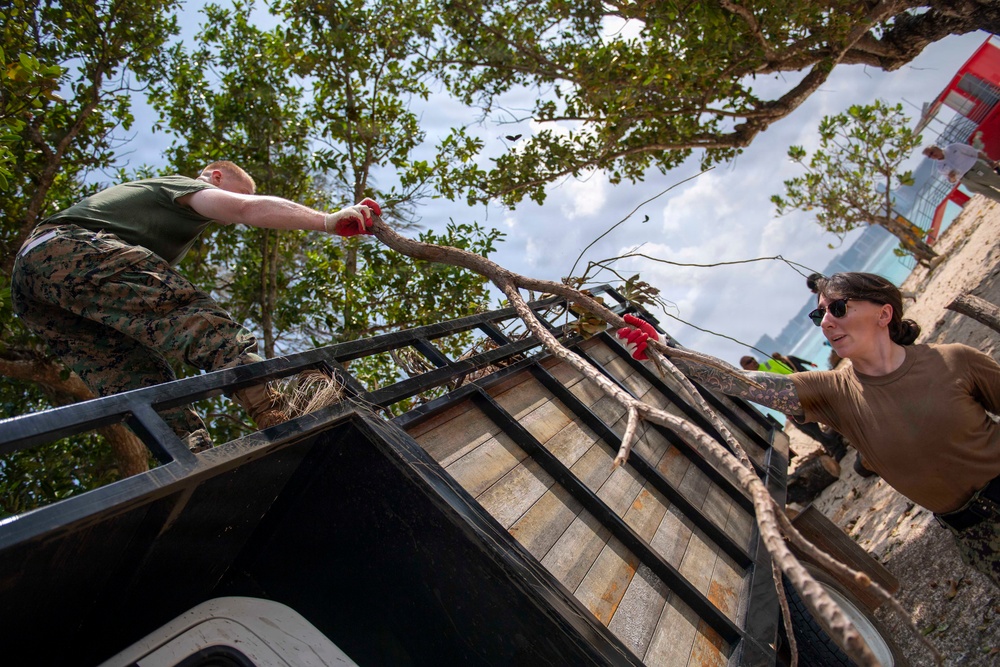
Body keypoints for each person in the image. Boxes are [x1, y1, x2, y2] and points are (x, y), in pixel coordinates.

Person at [617, 272, 1000, 587]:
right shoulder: (832, 391)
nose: (828, 322)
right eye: (820, 316)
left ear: (885, 314)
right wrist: (666, 351)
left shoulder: (955, 360)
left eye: (838, 308)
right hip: (974, 534)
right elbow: (740, 383)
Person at [11, 161, 382, 450]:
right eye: (237, 193)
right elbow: (248, 211)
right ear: (215, 177)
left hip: (36, 293)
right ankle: (275, 412)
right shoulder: (183, 186)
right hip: (68, 248)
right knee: (196, 320)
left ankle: (188, 453)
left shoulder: (147, 222)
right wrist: (327, 220)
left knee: (135, 377)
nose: (229, 215)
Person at [739, 355, 846, 460]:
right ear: (745, 367)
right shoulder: (755, 381)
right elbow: (768, 400)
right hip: (788, 409)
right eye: (749, 361)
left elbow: (791, 375)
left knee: (819, 424)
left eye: (752, 358)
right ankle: (835, 445)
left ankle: (838, 446)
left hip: (800, 399)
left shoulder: (770, 364)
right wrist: (785, 412)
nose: (753, 361)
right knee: (810, 431)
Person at [923, 143, 1000, 203]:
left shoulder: (953, 147)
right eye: (930, 156)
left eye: (932, 152)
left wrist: (990, 162)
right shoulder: (940, 167)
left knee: (997, 182)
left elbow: (974, 153)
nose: (933, 155)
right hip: (966, 181)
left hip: (976, 170)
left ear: (936, 148)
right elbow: (951, 181)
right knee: (993, 196)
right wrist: (952, 177)